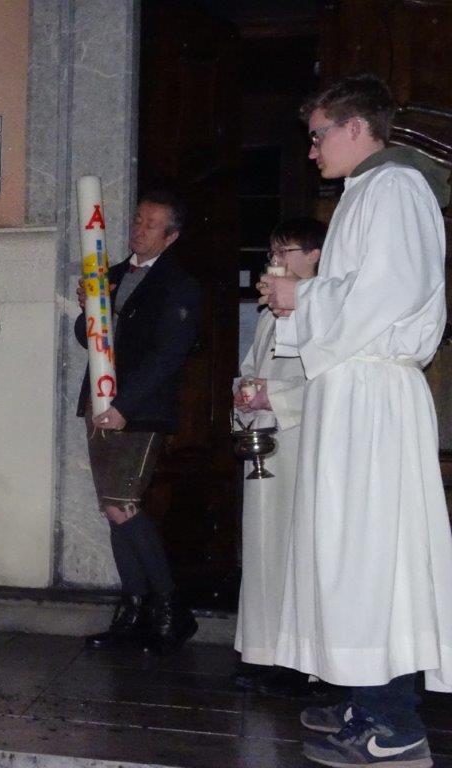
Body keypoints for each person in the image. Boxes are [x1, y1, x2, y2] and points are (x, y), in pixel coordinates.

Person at [262, 73, 452, 768]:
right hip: (351, 394)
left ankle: (393, 724)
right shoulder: (365, 192)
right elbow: (358, 294)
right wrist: (303, 299)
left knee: (374, 557)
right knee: (348, 555)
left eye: (318, 136)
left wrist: (302, 297)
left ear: (354, 127)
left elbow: (390, 293)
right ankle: (364, 698)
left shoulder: (395, 187)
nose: (311, 150)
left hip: (373, 397)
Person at [77, 190, 201, 656]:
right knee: (113, 509)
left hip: (139, 409)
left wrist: (125, 405)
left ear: (171, 236)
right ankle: (133, 610)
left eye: (151, 224)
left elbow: (168, 355)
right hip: (99, 402)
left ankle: (170, 608)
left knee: (122, 504)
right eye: (137, 220)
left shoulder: (179, 285)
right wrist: (89, 308)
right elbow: (86, 336)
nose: (138, 229)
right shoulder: (109, 275)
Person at [232, 217, 325, 698]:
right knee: (263, 548)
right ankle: (264, 651)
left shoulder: (323, 311)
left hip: (304, 443)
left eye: (284, 252)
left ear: (313, 256)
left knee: (296, 548)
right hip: (267, 440)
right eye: (272, 252)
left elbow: (328, 383)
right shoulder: (271, 315)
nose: (274, 262)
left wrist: (277, 397)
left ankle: (303, 662)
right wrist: (245, 394)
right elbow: (251, 368)